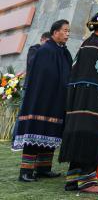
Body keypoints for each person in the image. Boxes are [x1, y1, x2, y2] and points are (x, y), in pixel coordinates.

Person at [59, 0, 98, 194]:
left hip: (83, 101)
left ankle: (73, 179)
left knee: (81, 135)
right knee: (89, 135)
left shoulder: (96, 44)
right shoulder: (94, 46)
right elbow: (90, 79)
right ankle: (87, 182)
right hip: (88, 102)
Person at [13, 20, 72, 182]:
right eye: (65, 30)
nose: (68, 34)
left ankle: (43, 168)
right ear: (55, 32)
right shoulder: (45, 51)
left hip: (56, 101)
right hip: (41, 101)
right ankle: (25, 171)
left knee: (50, 132)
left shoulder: (64, 52)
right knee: (36, 131)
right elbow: (40, 79)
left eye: (69, 31)